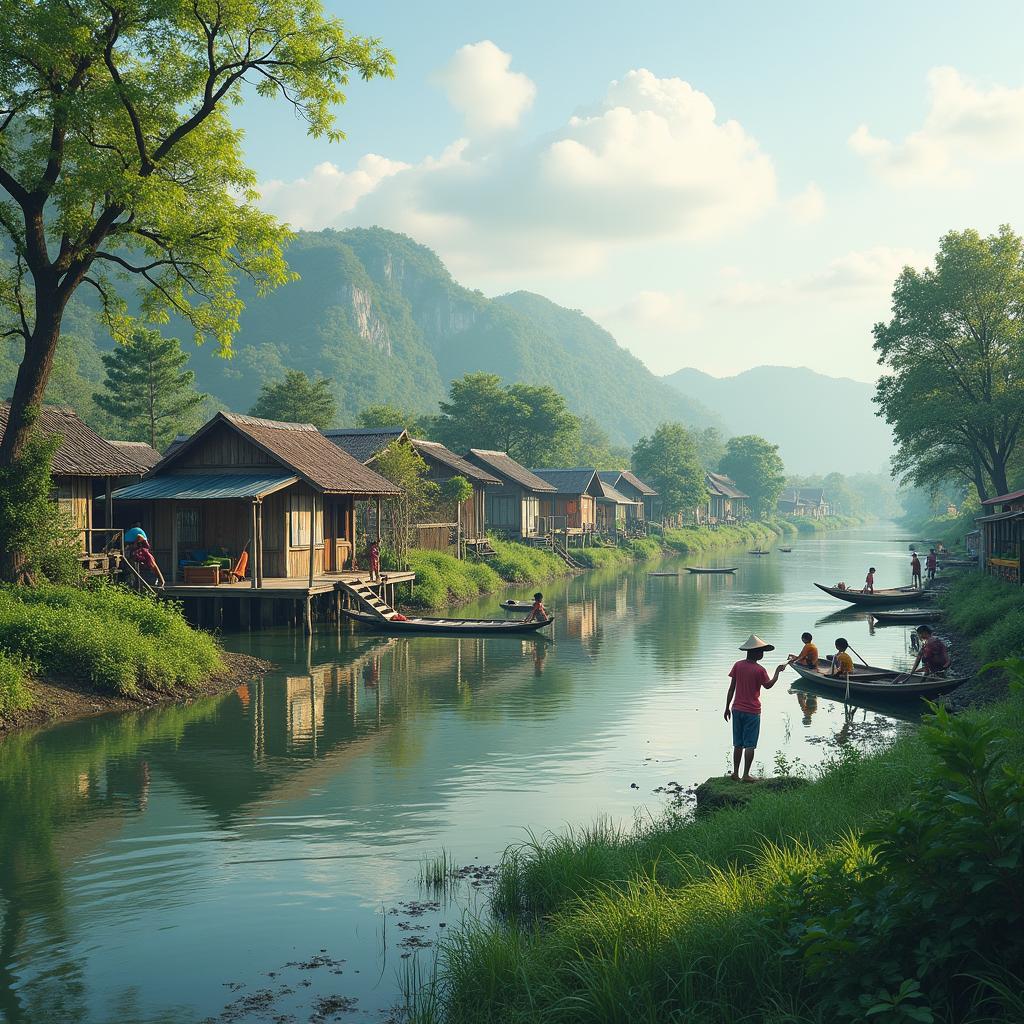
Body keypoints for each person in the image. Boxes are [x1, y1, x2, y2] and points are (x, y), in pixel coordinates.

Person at [723, 634, 787, 783]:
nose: (762, 654)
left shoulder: (738, 665)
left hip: (736, 709)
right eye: (761, 651)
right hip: (752, 711)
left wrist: (726, 707)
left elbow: (731, 689)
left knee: (738, 743)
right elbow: (768, 685)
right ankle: (746, 775)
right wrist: (777, 672)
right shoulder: (760, 670)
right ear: (755, 652)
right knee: (750, 744)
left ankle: (736, 773)